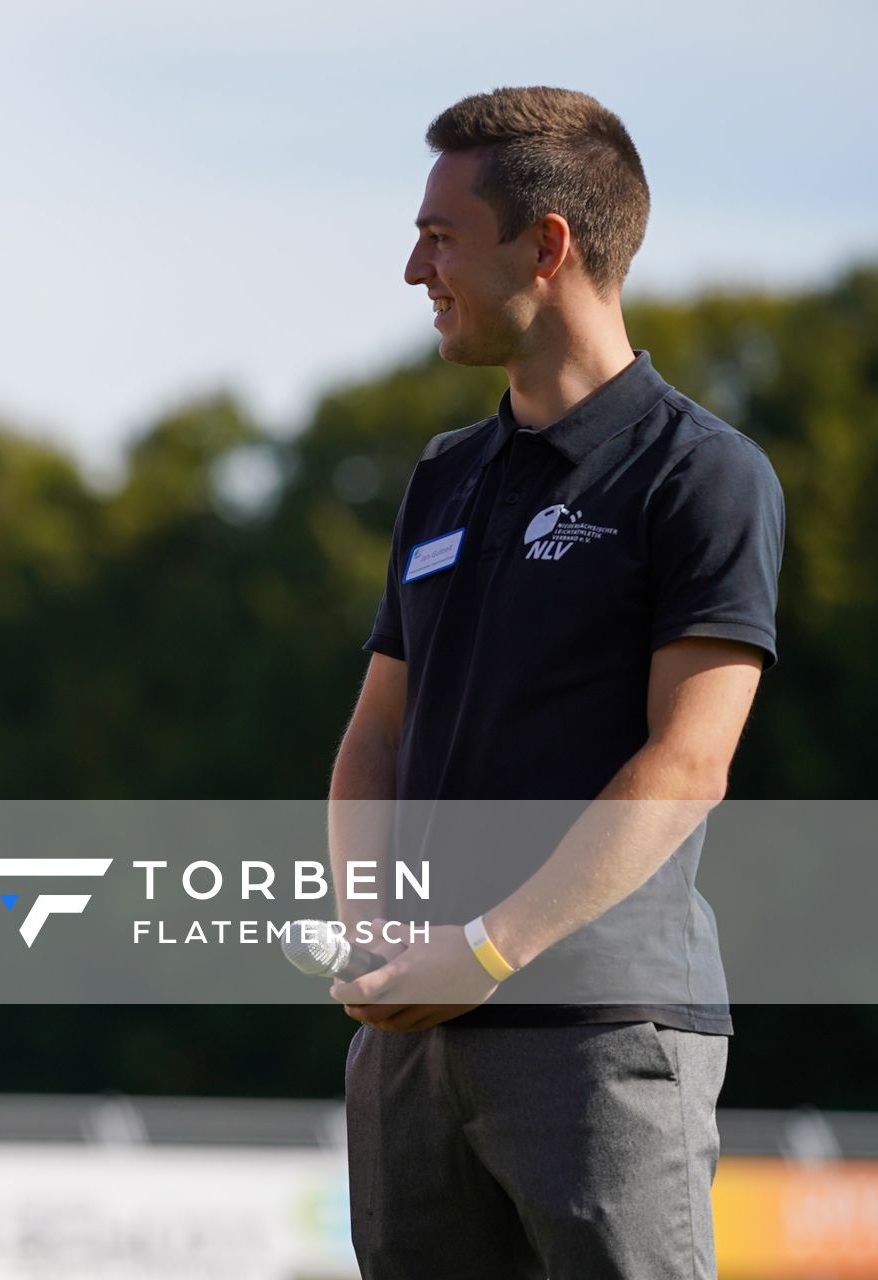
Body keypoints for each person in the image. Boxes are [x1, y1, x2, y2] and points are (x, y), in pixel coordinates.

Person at [327, 88, 784, 1278]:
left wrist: (483, 950)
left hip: (600, 1033)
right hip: (413, 1044)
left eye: (440, 235)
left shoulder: (703, 474)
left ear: (549, 243)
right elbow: (377, 731)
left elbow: (689, 764)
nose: (413, 265)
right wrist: (378, 924)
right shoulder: (443, 474)